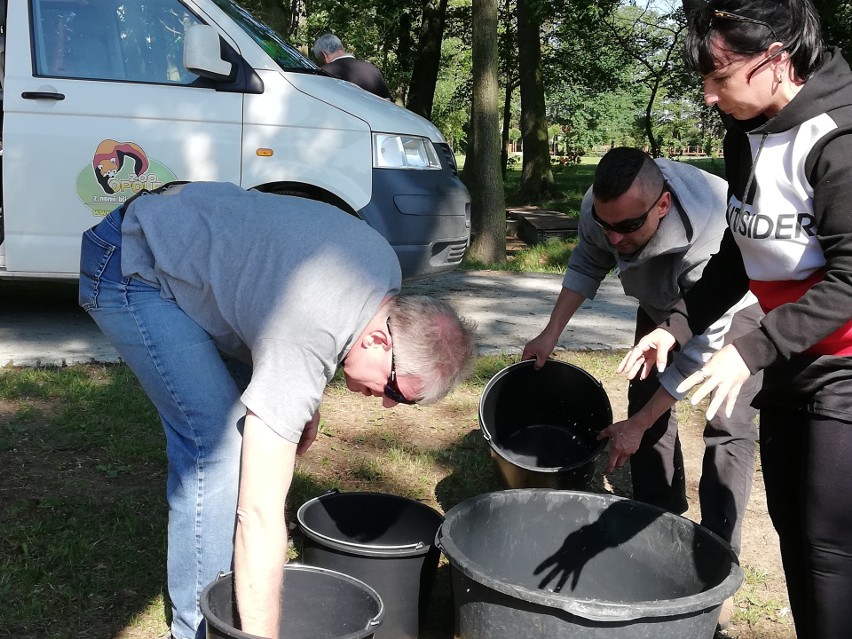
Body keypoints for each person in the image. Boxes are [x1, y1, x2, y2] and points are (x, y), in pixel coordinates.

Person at [78, 181, 475, 639]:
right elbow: (260, 514)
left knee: (248, 435)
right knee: (219, 448)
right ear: (380, 340)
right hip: (130, 263)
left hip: (184, 244)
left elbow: (299, 326)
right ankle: (198, 630)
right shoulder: (305, 335)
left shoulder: (380, 278)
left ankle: (229, 590)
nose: (386, 403)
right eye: (395, 389)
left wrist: (306, 404)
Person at [620, 1, 852, 637]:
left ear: (774, 60)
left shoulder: (839, 138)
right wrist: (675, 323)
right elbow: (737, 255)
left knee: (830, 546)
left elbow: (851, 280)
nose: (709, 95)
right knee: (793, 531)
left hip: (844, 367)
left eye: (719, 76)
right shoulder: (748, 134)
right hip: (789, 363)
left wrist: (750, 348)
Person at [522, 148, 763, 565]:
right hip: (660, 303)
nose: (614, 238)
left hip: (736, 306)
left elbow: (699, 350)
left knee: (726, 423)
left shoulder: (706, 239)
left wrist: (640, 423)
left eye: (628, 227)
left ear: (662, 205)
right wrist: (549, 334)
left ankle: (717, 553)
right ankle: (658, 510)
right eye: (606, 225)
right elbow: (588, 260)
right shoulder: (605, 207)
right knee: (643, 395)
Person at [312, 33, 391, 99]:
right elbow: (387, 103)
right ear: (342, 48)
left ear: (324, 54)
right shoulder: (372, 69)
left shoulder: (323, 74)